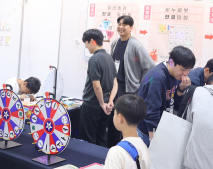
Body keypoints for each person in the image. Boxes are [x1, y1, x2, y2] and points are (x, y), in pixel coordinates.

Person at [108, 15, 155, 147]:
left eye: (124, 25)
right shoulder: (115, 43)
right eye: (119, 24)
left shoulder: (135, 45)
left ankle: (125, 147)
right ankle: (112, 147)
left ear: (131, 28)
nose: (121, 27)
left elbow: (150, 66)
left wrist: (140, 84)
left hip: (129, 89)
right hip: (115, 87)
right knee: (114, 119)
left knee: (126, 121)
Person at [137, 45, 195, 146]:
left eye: (189, 70)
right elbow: (151, 110)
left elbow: (175, 104)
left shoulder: (176, 75)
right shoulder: (158, 78)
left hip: (162, 126)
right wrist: (153, 138)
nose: (185, 73)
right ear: (171, 62)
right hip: (148, 131)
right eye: (182, 69)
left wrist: (181, 89)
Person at [79, 29, 117, 147]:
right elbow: (115, 83)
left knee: (88, 140)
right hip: (106, 107)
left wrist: (101, 104)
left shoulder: (94, 60)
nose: (86, 47)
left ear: (92, 41)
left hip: (92, 106)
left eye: (86, 43)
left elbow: (96, 86)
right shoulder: (109, 58)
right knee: (102, 137)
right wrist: (110, 102)